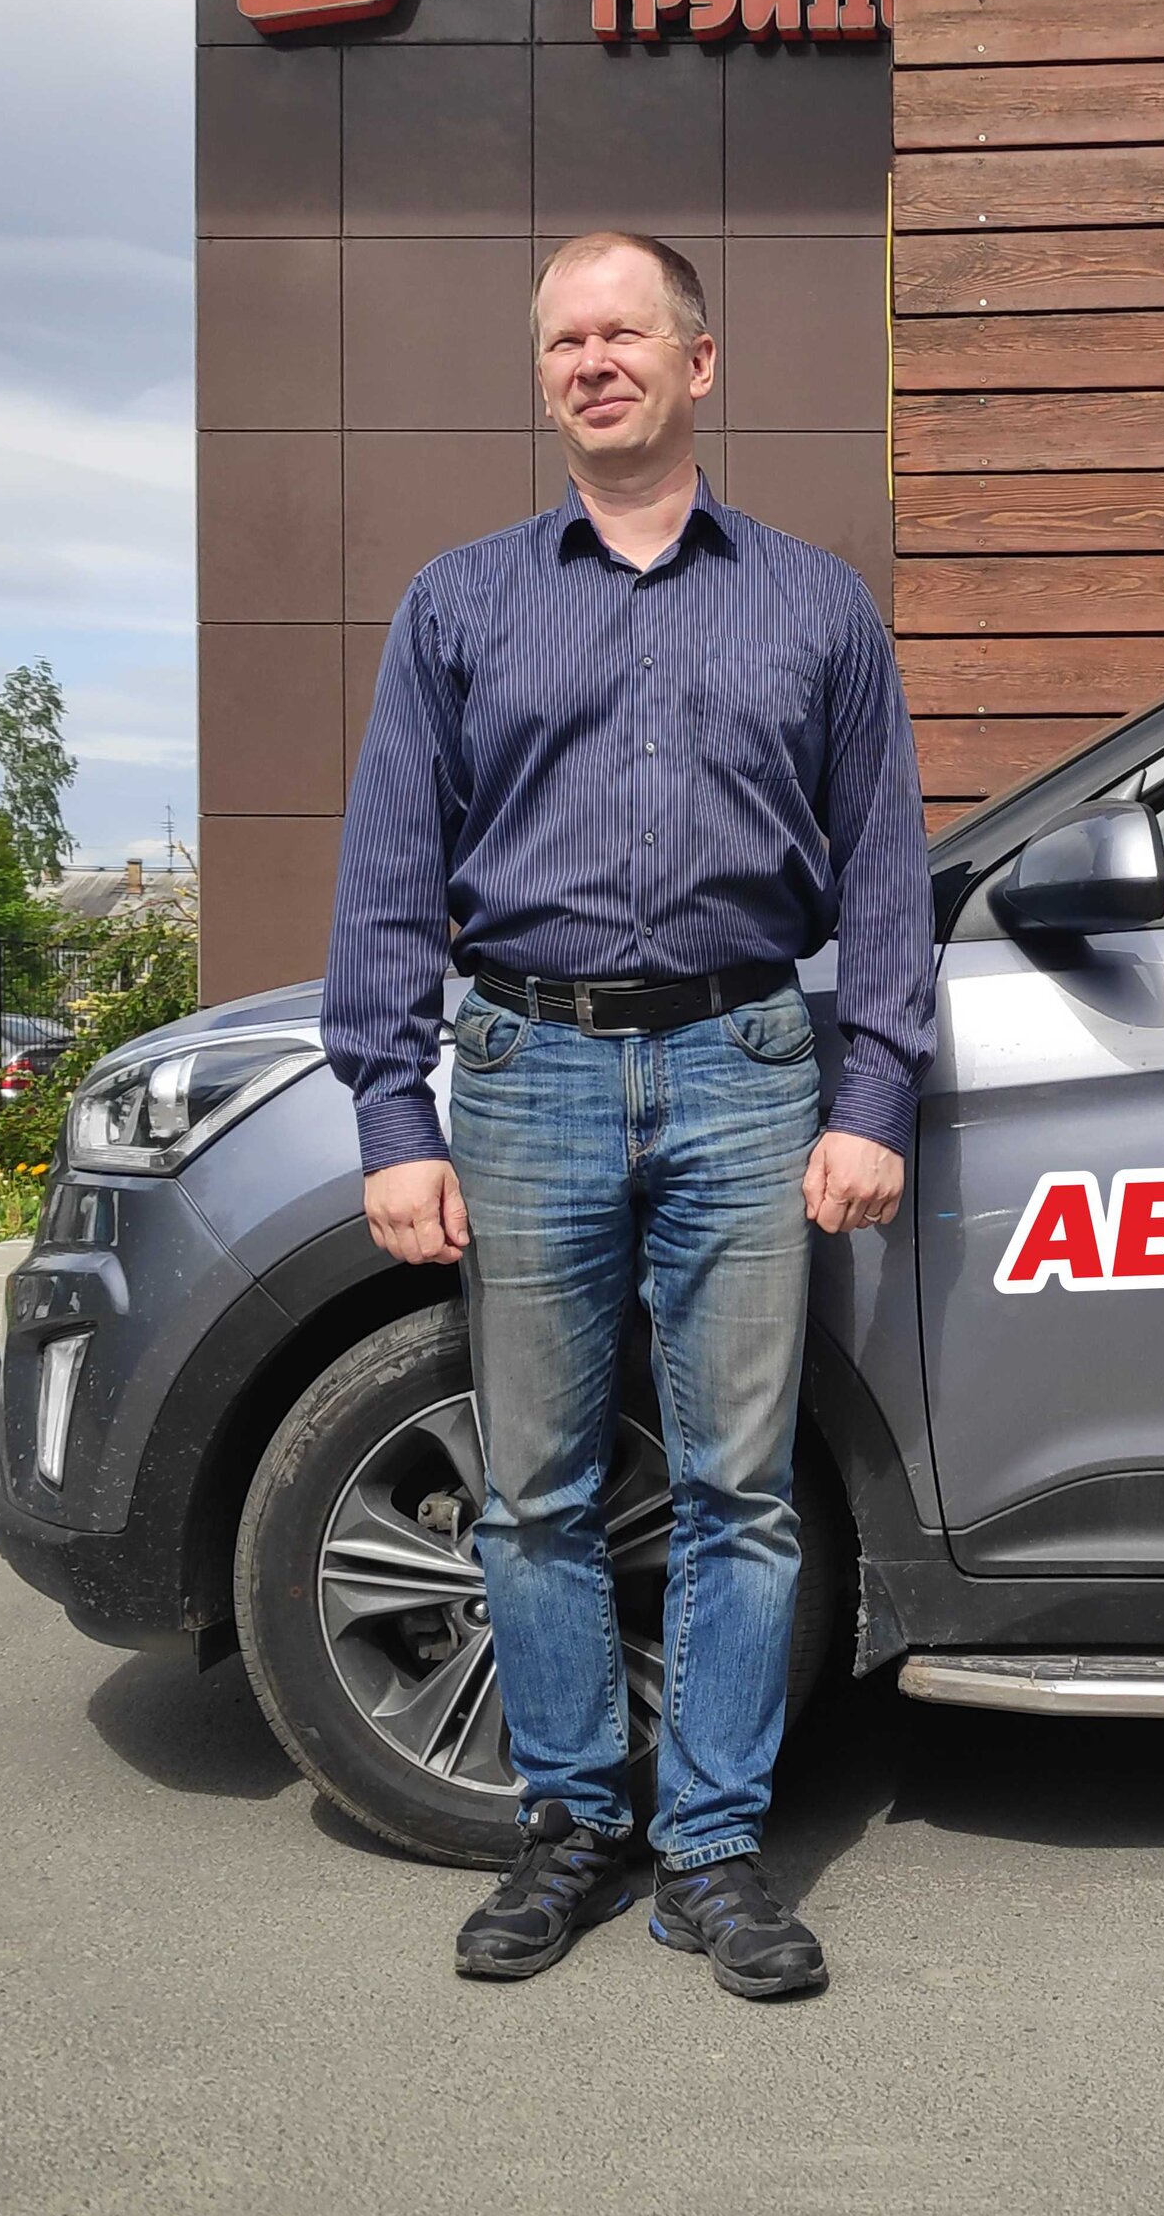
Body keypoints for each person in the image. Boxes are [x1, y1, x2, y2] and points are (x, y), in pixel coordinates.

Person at [321, 229, 930, 2002]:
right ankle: (572, 1826)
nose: (595, 362)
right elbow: (386, 881)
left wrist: (870, 1087)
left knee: (742, 1487)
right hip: (527, 1075)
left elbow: (885, 881)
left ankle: (716, 1854)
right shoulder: (457, 604)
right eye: (565, 342)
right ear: (546, 379)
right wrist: (392, 1116)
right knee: (536, 1488)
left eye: (627, 333)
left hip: (750, 1070)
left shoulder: (814, 603)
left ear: (700, 363)